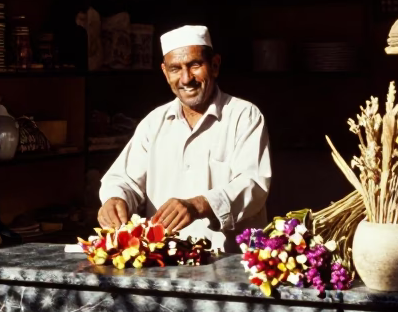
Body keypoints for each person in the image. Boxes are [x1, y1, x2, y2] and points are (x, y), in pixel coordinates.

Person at [97, 24, 271, 252]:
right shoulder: (154, 123)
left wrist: (200, 205)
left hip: (231, 261)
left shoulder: (244, 116)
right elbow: (124, 179)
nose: (186, 78)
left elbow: (253, 184)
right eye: (175, 69)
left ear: (215, 65)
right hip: (165, 260)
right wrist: (115, 200)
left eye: (195, 65)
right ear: (164, 72)